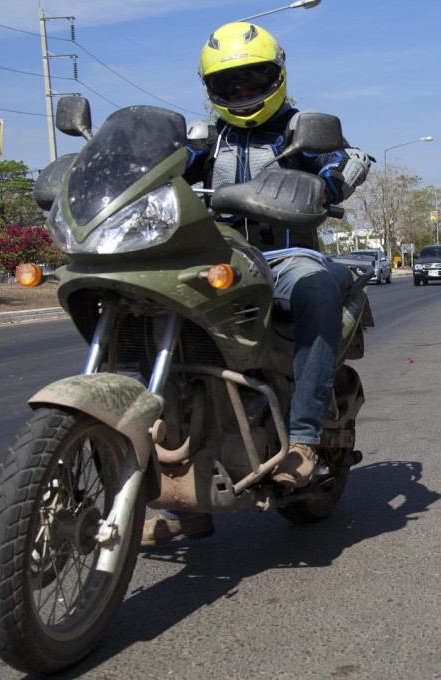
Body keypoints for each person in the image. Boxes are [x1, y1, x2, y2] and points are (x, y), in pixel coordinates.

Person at [142, 21, 372, 547]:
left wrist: (329, 178)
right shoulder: (206, 139)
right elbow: (161, 170)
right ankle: (177, 486)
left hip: (284, 256)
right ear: (213, 91)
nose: (243, 93)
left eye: (253, 80)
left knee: (315, 287)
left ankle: (305, 441)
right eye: (230, 85)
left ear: (277, 77)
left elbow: (342, 159)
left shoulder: (300, 129)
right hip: (214, 258)